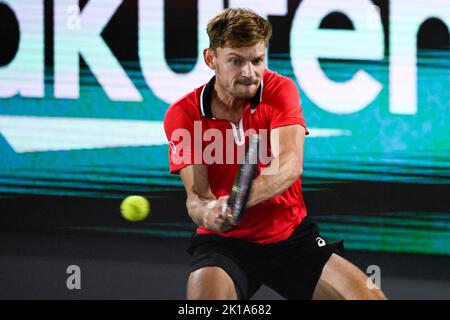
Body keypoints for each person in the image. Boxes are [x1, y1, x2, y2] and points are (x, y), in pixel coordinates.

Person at [164, 8, 386, 300]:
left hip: (292, 239)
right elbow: (197, 198)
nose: (249, 72)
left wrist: (236, 203)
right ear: (211, 59)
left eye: (257, 60)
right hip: (224, 244)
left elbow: (289, 166)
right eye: (235, 61)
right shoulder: (183, 114)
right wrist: (209, 214)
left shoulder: (280, 90)